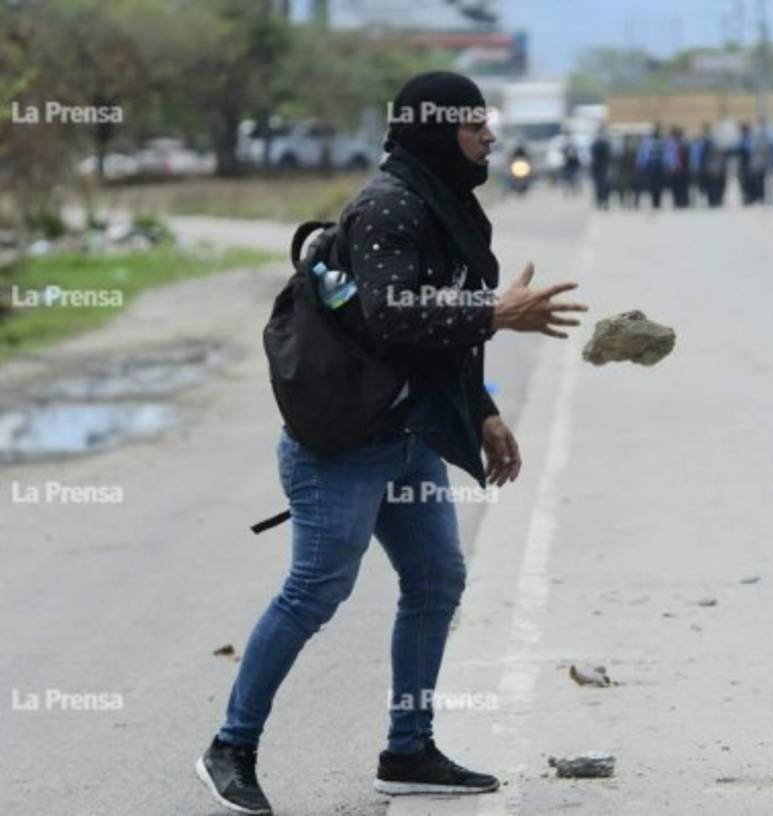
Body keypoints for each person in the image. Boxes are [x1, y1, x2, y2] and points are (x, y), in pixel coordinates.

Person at [195, 71, 588, 816]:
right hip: (339, 443)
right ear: (438, 130)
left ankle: (409, 749)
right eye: (475, 126)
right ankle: (230, 749)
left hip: (407, 435)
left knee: (438, 581)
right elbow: (393, 317)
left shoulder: (446, 207)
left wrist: (481, 413)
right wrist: (493, 311)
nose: (491, 138)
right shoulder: (387, 206)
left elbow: (439, 346)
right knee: (316, 591)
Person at [691, 123, 727, 207]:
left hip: (710, 168)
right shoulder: (713, 143)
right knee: (714, 186)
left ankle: (713, 200)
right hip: (714, 168)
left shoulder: (705, 143)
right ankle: (714, 200)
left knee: (712, 186)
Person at [636, 124, 667, 209]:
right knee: (654, 184)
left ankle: (657, 201)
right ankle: (655, 201)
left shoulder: (661, 142)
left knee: (657, 185)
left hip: (657, 166)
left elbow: (665, 155)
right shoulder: (648, 142)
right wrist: (641, 163)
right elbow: (642, 154)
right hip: (652, 166)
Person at [663, 126, 691, 208]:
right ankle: (682, 201)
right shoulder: (683, 143)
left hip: (677, 169)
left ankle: (679, 201)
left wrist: (669, 166)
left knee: (678, 186)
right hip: (681, 169)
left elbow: (668, 157)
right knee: (681, 186)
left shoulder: (672, 144)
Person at [590, 126, 612, 209]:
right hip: (602, 167)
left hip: (600, 167)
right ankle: (603, 202)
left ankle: (601, 202)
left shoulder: (596, 144)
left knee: (601, 186)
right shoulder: (606, 144)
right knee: (603, 186)